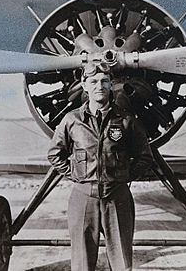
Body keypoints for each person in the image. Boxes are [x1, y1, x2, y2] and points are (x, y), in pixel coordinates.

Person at [48, 62, 153, 271]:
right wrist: (78, 176)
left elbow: (145, 156)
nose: (99, 86)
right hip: (83, 198)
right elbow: (54, 154)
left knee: (122, 261)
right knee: (82, 263)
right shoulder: (72, 120)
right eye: (93, 81)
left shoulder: (126, 120)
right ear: (84, 85)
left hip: (118, 198)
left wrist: (125, 177)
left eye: (104, 81)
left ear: (111, 84)